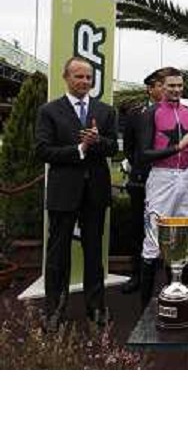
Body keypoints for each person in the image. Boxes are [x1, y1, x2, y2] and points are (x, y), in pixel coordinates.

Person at [35, 56, 118, 332]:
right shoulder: (50, 111)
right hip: (63, 192)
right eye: (79, 77)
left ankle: (96, 307)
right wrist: (79, 149)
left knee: (94, 251)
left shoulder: (105, 111)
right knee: (58, 253)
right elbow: (43, 151)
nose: (84, 82)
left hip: (95, 191)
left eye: (88, 78)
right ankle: (54, 308)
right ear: (66, 78)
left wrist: (96, 142)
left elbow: (112, 149)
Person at [139, 67, 188, 308]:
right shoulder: (151, 114)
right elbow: (144, 153)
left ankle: (181, 297)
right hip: (161, 177)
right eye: (171, 86)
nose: (176, 90)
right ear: (161, 86)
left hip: (185, 178)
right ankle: (145, 305)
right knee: (152, 240)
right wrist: (179, 147)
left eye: (180, 86)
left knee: (184, 238)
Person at [120, 68, 167, 294]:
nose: (165, 88)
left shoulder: (177, 112)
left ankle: (168, 277)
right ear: (150, 89)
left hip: (168, 181)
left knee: (168, 229)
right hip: (142, 179)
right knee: (138, 227)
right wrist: (141, 167)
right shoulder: (135, 113)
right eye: (160, 85)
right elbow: (129, 147)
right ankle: (137, 274)